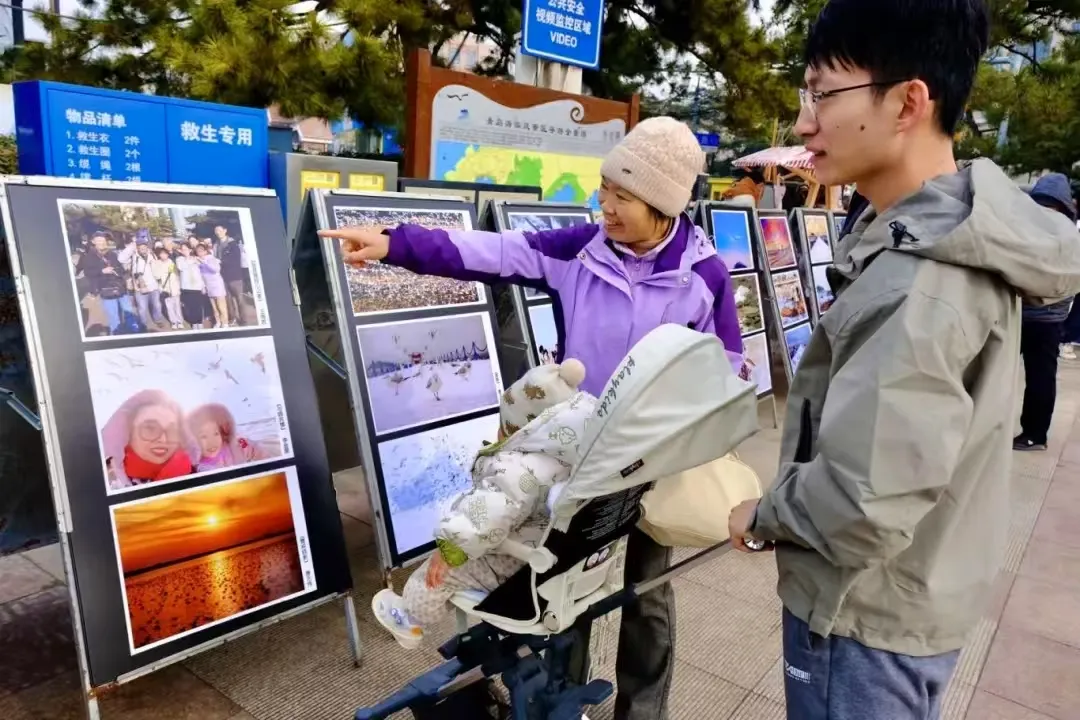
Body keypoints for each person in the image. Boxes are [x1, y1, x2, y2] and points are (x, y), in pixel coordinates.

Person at [725, 2, 1080, 719]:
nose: (804, 123)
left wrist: (763, 513)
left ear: (908, 102)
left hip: (863, 616)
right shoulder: (955, 233)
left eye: (823, 94)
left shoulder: (921, 278)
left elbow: (863, 502)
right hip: (919, 591)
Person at [320, 116, 742, 720]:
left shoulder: (704, 277)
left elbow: (727, 368)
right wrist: (395, 243)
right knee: (563, 589)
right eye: (604, 188)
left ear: (663, 204)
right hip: (575, 453)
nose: (605, 205)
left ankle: (643, 712)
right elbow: (488, 252)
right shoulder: (578, 250)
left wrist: (688, 424)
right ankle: (563, 699)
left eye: (623, 195)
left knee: (645, 593)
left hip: (652, 463)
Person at [373, 360, 593, 649]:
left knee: (440, 570)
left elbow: (488, 515)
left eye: (506, 425)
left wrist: (451, 548)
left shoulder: (519, 468)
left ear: (525, 429)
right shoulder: (577, 454)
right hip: (556, 557)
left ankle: (411, 616)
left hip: (517, 563)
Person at [1015, 174, 1079, 451]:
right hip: (1041, 317)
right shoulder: (1068, 232)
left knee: (1035, 377)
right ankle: (1033, 433)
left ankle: (1033, 433)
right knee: (1036, 376)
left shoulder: (1033, 228)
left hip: (1035, 317)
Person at [101, 389, 195, 489]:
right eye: (150, 429)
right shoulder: (104, 476)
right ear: (129, 432)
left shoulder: (199, 470)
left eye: (171, 430)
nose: (163, 439)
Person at [76, 232, 138, 335]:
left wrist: (126, 278)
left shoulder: (112, 254)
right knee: (113, 315)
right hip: (106, 289)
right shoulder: (88, 257)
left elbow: (120, 269)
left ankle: (134, 331)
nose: (102, 242)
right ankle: (116, 334)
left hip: (120, 287)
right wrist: (102, 271)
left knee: (128, 311)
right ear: (93, 242)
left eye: (103, 240)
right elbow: (88, 273)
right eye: (99, 240)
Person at [186, 403, 263, 472]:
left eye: (216, 433)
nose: (212, 441)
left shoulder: (235, 447)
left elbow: (258, 451)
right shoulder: (198, 466)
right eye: (204, 436)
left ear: (222, 433)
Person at [129, 232, 165, 330]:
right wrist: (140, 285)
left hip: (154, 286)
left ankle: (158, 320)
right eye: (140, 248)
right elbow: (135, 273)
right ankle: (143, 324)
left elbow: (158, 269)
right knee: (142, 308)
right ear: (137, 248)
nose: (143, 249)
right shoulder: (134, 257)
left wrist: (160, 283)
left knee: (157, 305)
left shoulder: (152, 255)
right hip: (140, 288)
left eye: (144, 247)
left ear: (147, 247)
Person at [195, 243, 230, 328]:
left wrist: (204, 262)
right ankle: (218, 322)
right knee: (214, 307)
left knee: (221, 306)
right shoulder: (199, 262)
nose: (200, 253)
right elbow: (201, 276)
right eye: (198, 251)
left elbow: (216, 270)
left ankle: (225, 323)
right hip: (209, 287)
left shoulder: (211, 259)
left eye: (201, 251)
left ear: (205, 251)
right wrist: (203, 287)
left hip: (217, 285)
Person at [175, 243, 209, 330]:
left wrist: (203, 286)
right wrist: (192, 260)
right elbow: (181, 267)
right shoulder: (179, 259)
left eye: (186, 249)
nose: (185, 251)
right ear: (180, 251)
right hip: (186, 287)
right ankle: (193, 323)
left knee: (198, 306)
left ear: (190, 250)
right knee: (189, 307)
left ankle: (199, 322)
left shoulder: (196, 259)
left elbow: (200, 272)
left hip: (197, 287)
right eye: (182, 249)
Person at [151, 245, 184, 329]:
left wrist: (178, 286)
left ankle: (180, 321)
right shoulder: (156, 263)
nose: (163, 255)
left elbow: (177, 275)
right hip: (165, 288)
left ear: (167, 254)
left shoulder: (172, 263)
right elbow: (156, 275)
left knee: (177, 306)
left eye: (165, 253)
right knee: (169, 307)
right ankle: (173, 322)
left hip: (174, 287)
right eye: (161, 254)